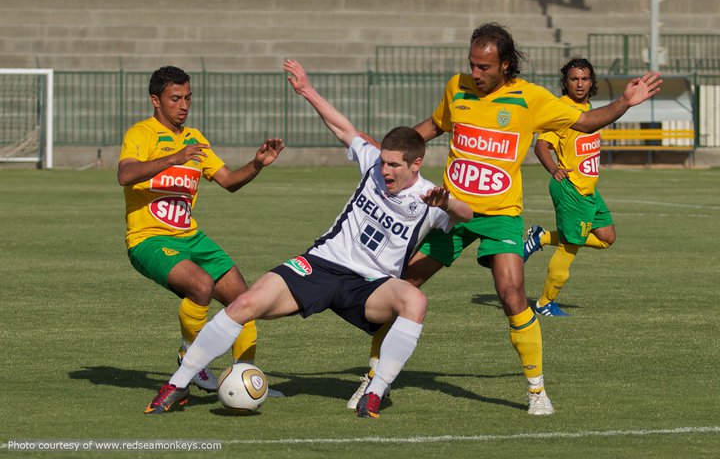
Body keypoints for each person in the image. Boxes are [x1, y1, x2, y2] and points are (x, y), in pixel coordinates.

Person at [349, 23, 661, 416]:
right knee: (400, 286)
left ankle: (536, 391)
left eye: (484, 67)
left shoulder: (531, 98)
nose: (475, 74)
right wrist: (389, 149)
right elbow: (432, 127)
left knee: (512, 294)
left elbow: (583, 122)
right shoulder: (457, 87)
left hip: (501, 215)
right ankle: (374, 379)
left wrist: (625, 103)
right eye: (472, 65)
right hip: (450, 213)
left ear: (506, 64)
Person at [144, 59, 473, 418]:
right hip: (321, 264)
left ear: (416, 164)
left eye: (394, 165)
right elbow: (342, 128)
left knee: (415, 301)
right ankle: (176, 385)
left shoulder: (430, 197)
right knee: (243, 303)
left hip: (370, 286)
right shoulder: (373, 166)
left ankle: (375, 393)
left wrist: (450, 202)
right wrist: (307, 91)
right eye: (383, 162)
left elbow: (467, 215)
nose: (385, 171)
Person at [118, 66, 285, 403]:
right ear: (156, 100)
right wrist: (174, 158)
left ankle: (247, 380)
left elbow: (228, 181)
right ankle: (192, 362)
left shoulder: (196, 139)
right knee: (200, 285)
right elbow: (126, 174)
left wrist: (256, 164)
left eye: (188, 98)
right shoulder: (142, 134)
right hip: (149, 239)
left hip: (191, 238)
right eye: (175, 98)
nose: (184, 105)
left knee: (245, 302)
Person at [523, 58, 616, 317]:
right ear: (565, 81)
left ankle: (541, 237)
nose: (579, 83)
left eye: (585, 79)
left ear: (592, 82)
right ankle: (543, 303)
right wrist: (554, 169)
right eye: (574, 78)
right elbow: (542, 145)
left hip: (589, 190)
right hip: (570, 187)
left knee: (607, 237)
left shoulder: (589, 109)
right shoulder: (560, 109)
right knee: (569, 247)